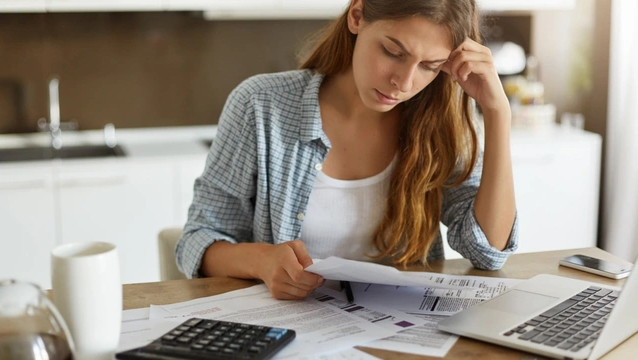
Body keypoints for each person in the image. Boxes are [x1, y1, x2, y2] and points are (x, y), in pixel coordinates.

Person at [176, 0, 518, 300]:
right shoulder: (262, 105)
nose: (405, 81)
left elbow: (487, 252)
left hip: (395, 335)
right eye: (393, 52)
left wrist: (497, 112)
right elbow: (198, 240)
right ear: (357, 16)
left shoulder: (440, 122)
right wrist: (263, 260)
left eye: (429, 66)